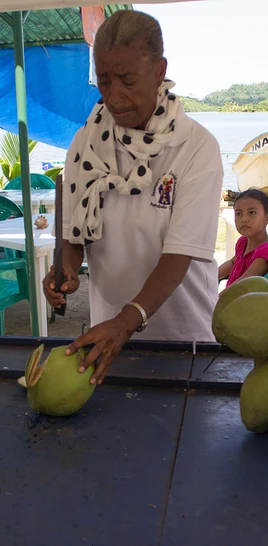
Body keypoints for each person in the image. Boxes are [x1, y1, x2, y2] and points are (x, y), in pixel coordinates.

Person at [42, 10, 223, 385]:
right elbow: (74, 234)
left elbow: (179, 256)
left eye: (127, 80)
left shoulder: (194, 147)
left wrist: (125, 322)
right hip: (107, 340)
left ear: (159, 71)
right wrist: (68, 269)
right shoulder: (86, 144)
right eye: (104, 82)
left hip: (184, 339)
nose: (114, 97)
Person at [218, 189, 268, 287]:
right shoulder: (243, 242)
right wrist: (210, 276)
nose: (244, 219)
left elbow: (244, 283)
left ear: (267, 218)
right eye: (238, 214)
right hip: (233, 298)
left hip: (244, 300)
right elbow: (232, 263)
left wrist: (219, 299)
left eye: (251, 213)